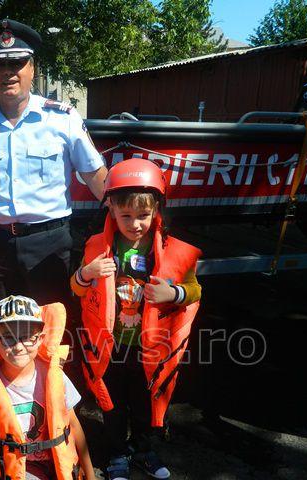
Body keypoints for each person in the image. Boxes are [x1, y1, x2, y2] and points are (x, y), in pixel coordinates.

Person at [0, 18, 107, 306]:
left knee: (53, 327)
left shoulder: (63, 119)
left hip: (50, 247)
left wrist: (128, 223)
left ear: (32, 68)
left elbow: (96, 177)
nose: (8, 72)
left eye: (17, 63)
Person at [71, 159, 202, 480]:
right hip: (110, 348)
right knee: (112, 405)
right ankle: (117, 454)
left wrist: (173, 294)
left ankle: (143, 450)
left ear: (156, 210)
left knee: (146, 404)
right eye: (126, 215)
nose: (135, 224)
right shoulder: (97, 247)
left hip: (149, 349)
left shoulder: (172, 250)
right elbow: (75, 288)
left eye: (143, 215)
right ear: (111, 210)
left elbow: (195, 290)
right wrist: (86, 273)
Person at [0, 295, 96, 480]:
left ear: (40, 339)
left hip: (56, 464)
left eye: (27, 337)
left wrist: (90, 474)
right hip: (14, 468)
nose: (18, 346)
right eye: (8, 337)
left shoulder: (54, 376)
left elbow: (73, 425)